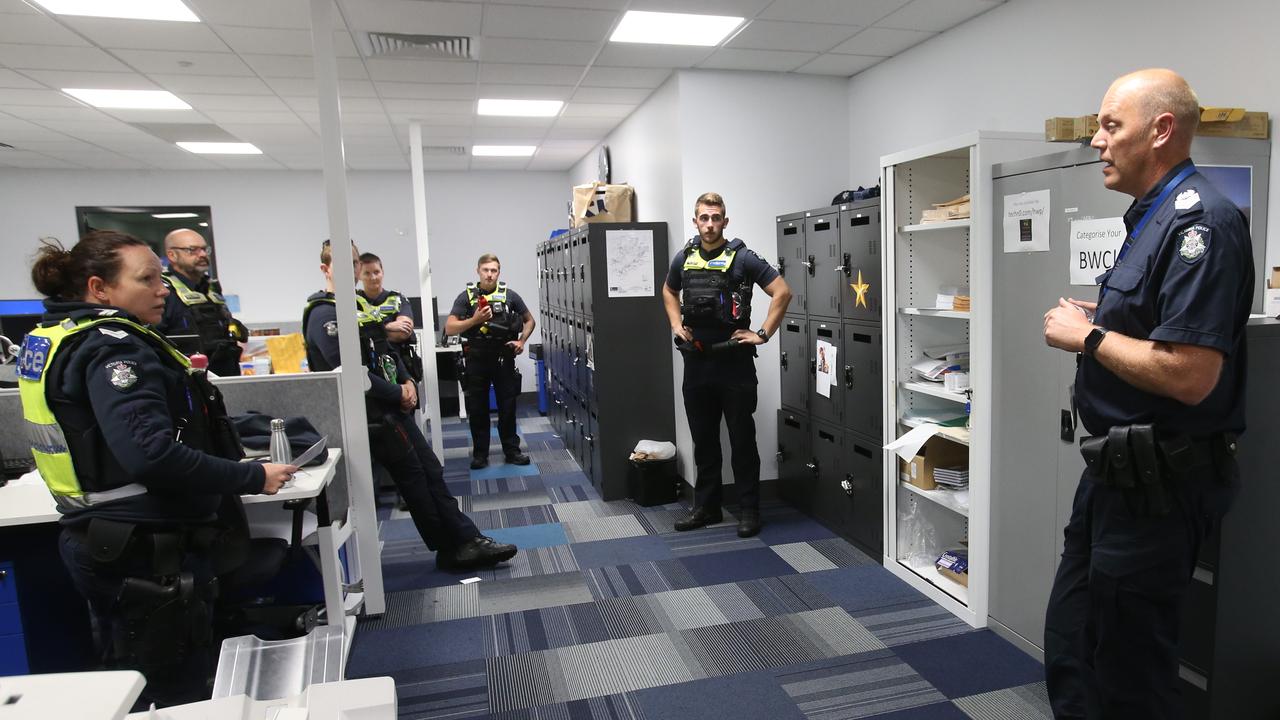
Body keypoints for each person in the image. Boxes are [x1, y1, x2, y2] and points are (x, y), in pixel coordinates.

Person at [1041, 69, 1251, 719]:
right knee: (1074, 642)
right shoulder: (1151, 218)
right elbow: (1151, 327)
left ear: (1161, 131)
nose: (1097, 141)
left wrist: (1088, 338)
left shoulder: (1203, 224)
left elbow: (1191, 374)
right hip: (1111, 476)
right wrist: (1103, 321)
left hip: (1157, 486)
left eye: (1111, 126)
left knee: (1130, 669)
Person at [18, 231, 295, 707]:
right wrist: (254, 477)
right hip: (145, 549)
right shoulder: (113, 350)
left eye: (160, 278)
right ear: (99, 289)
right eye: (146, 279)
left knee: (134, 679)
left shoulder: (56, 339)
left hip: (101, 533)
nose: (162, 288)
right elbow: (151, 454)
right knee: (174, 692)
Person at [303, 240, 517, 571]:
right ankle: (454, 547)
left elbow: (384, 350)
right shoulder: (325, 314)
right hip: (370, 415)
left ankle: (465, 540)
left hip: (390, 408)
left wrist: (406, 381)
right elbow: (347, 372)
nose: (355, 270)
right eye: (346, 264)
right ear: (325, 269)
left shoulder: (358, 309)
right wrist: (396, 392)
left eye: (356, 262)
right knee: (416, 481)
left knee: (430, 470)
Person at [663, 192, 792, 538]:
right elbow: (668, 291)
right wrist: (676, 326)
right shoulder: (684, 258)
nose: (709, 224)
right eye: (703, 218)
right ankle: (706, 507)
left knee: (742, 441)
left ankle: (749, 510)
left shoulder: (743, 258)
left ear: (725, 221)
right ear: (695, 221)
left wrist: (762, 333)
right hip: (697, 363)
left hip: (734, 363)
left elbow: (782, 291)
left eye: (715, 217)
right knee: (703, 440)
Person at [445, 253, 536, 470]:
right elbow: (449, 328)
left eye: (493, 270)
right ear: (478, 271)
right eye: (485, 270)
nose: (489, 274)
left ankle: (512, 451)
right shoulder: (466, 298)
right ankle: (480, 455)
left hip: (503, 358)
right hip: (476, 358)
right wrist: (474, 320)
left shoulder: (510, 295)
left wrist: (522, 341)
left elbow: (529, 320)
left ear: (499, 272)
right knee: (478, 408)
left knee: (508, 406)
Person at [156, 228, 247, 377]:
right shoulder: (164, 291)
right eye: (193, 250)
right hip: (189, 379)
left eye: (204, 249)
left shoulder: (212, 287)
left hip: (226, 374)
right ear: (172, 255)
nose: (203, 254)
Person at [357, 252, 422, 386]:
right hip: (367, 367)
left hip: (399, 368)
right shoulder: (354, 302)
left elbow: (404, 331)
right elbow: (355, 334)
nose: (373, 277)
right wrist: (388, 327)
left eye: (376, 272)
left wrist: (370, 332)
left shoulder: (397, 299)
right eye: (367, 273)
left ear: (382, 272)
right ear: (359, 275)